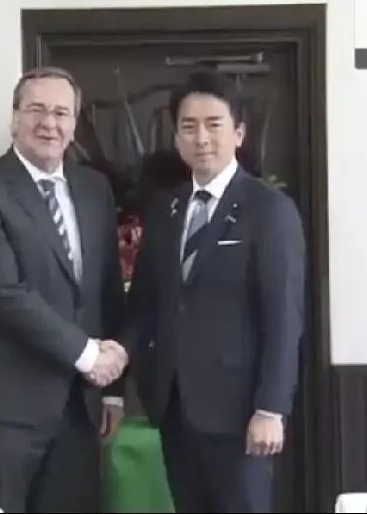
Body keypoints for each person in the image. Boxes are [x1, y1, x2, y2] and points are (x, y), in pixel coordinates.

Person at [118, 71, 306, 513]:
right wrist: (115, 362)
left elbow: (284, 316)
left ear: (238, 133)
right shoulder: (166, 208)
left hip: (241, 414)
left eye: (213, 124)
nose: (201, 138)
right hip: (175, 409)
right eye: (189, 126)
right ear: (176, 138)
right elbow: (144, 304)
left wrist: (271, 408)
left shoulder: (269, 209)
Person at [0, 66, 128, 514]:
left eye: (61, 113)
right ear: (14, 119)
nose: (49, 123)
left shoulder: (94, 189)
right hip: (4, 408)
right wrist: (89, 355)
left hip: (79, 409)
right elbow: (2, 294)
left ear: (74, 124)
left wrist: (113, 389)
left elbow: (106, 289)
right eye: (37, 110)